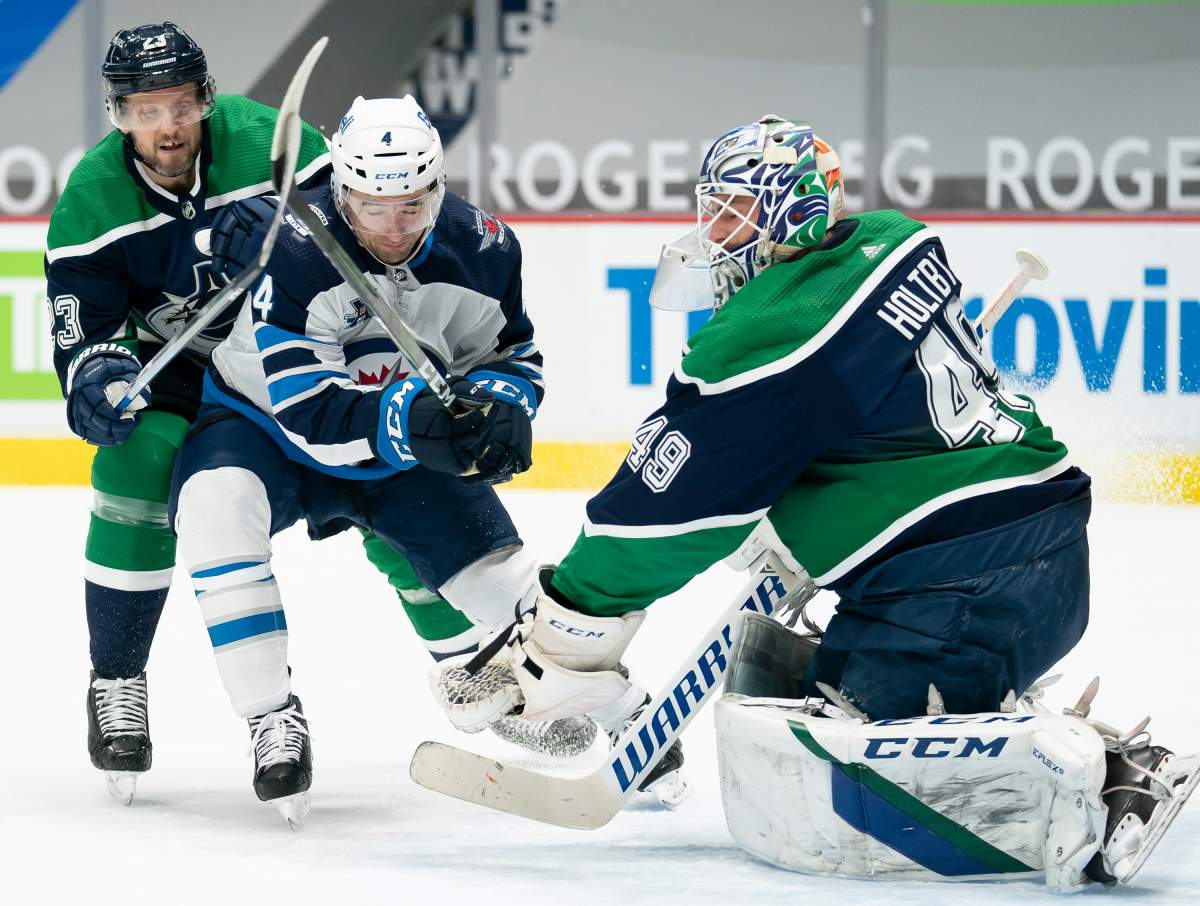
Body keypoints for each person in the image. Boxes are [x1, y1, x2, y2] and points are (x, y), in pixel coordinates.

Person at [448, 115, 1196, 886]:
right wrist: (801, 516)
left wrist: (570, 622)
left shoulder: (782, 329)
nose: (715, 231)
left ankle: (1106, 778)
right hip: (1011, 550)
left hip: (962, 583)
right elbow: (858, 425)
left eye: (736, 210)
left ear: (795, 211)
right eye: (714, 208)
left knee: (849, 760)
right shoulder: (892, 240)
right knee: (809, 701)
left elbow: (672, 507)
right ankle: (996, 717)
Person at [46, 22, 501, 807]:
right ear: (117, 114)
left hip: (305, 361)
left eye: (180, 105)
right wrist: (94, 376)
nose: (167, 127)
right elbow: (80, 335)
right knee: (132, 464)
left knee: (394, 484)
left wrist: (298, 239)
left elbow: (372, 236)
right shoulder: (89, 204)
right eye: (144, 111)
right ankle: (117, 677)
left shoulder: (274, 142)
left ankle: (480, 672)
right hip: (185, 382)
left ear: (206, 100)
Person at [168, 95, 549, 825]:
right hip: (262, 427)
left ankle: (609, 711)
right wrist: (413, 423)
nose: (393, 229)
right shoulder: (295, 245)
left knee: (502, 580)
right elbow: (310, 416)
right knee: (213, 512)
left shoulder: (487, 247)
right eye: (372, 208)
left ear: (437, 189)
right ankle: (269, 716)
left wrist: (503, 406)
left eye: (411, 205)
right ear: (340, 191)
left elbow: (512, 355)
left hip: (394, 437)